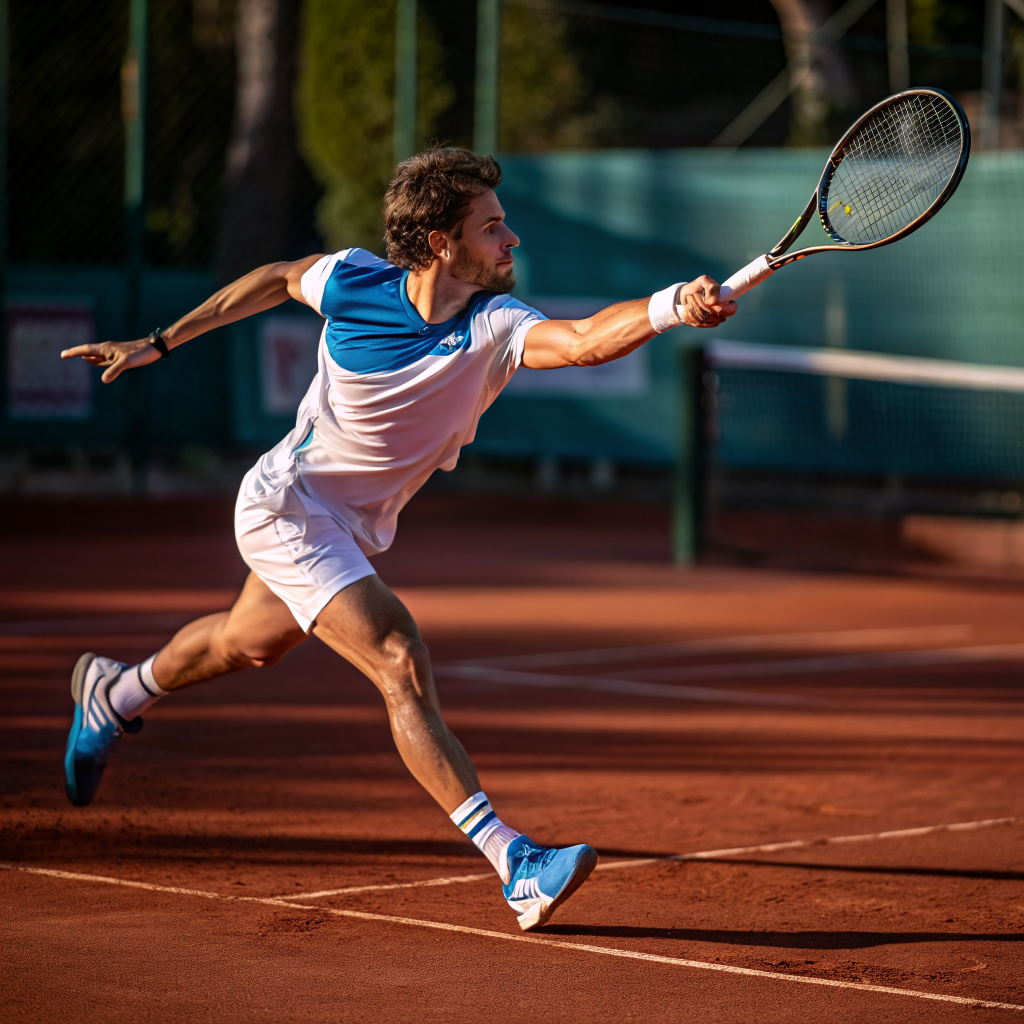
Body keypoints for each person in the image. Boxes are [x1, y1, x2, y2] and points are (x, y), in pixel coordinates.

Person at [59, 147, 736, 931]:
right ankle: (515, 863)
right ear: (442, 243)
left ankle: (115, 693)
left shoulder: (492, 324)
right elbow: (276, 277)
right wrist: (160, 340)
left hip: (351, 524)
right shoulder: (352, 280)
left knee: (246, 644)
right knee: (397, 655)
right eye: (491, 227)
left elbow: (582, 339)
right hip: (288, 507)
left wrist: (671, 306)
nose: (511, 238)